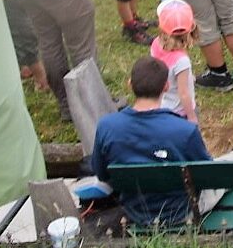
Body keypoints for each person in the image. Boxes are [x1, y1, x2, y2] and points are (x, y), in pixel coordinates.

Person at [90, 56, 212, 229]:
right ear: (166, 87)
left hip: (134, 210)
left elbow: (101, 173)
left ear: (130, 84)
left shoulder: (106, 126)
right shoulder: (185, 130)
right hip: (181, 210)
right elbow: (208, 176)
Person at [149, 0, 199, 121]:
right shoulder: (181, 61)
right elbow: (183, 93)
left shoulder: (156, 43)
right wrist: (191, 116)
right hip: (180, 112)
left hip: (163, 106)